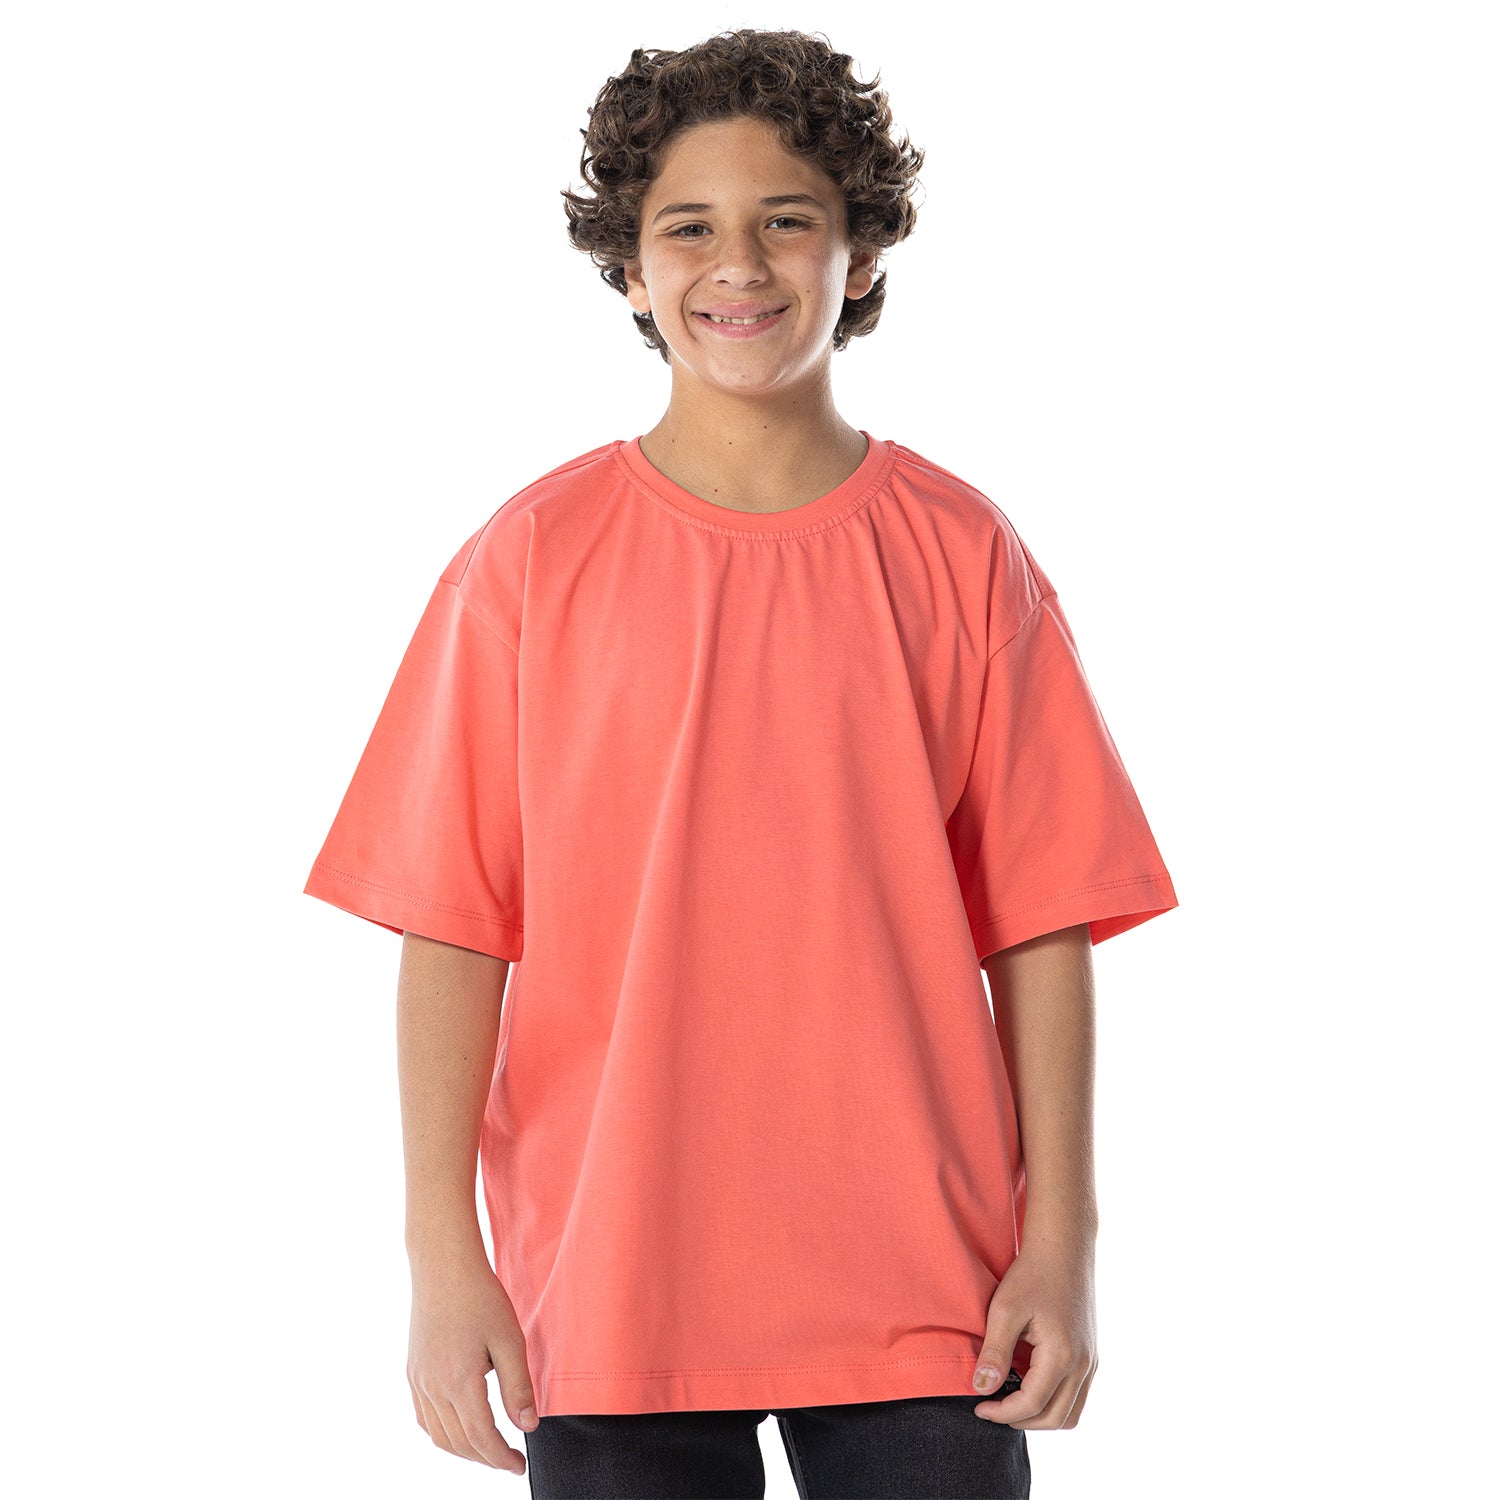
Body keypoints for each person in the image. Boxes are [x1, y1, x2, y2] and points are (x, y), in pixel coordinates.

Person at [303, 27, 1178, 1500]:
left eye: (787, 220)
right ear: (629, 270)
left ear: (863, 251)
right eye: (689, 229)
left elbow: (1043, 923)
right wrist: (440, 1260)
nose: (741, 267)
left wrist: (1066, 1243)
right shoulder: (530, 562)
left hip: (929, 1284)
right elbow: (452, 927)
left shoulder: (964, 555)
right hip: (610, 1272)